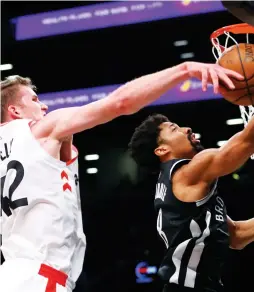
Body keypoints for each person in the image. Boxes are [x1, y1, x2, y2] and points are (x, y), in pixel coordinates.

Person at [0, 62, 243, 292]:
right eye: (34, 99)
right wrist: (185, 70)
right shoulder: (39, 130)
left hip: (15, 273)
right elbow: (121, 102)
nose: (43, 107)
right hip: (39, 278)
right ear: (15, 110)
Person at [128, 112, 254, 292]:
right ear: (162, 150)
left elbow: (235, 236)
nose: (187, 129)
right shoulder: (187, 174)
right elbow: (247, 141)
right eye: (175, 129)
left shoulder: (175, 182)